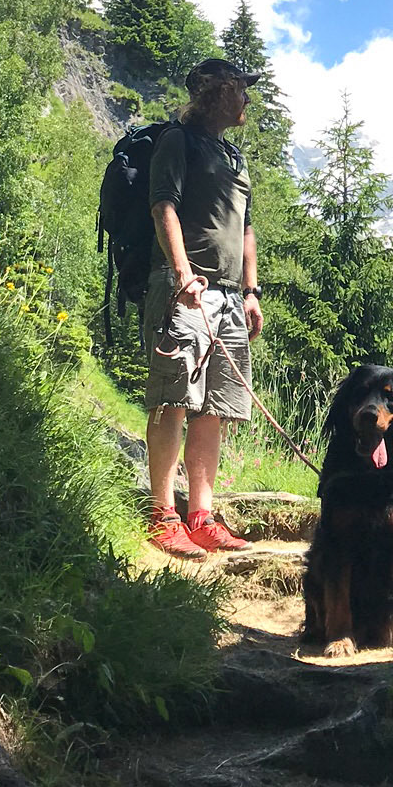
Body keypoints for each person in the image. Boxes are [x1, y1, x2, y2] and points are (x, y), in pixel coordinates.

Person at [143, 56, 265, 557]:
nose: (247, 99)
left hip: (229, 298)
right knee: (174, 398)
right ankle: (161, 514)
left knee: (214, 408)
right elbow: (163, 205)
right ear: (216, 92)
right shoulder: (179, 141)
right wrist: (181, 273)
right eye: (241, 89)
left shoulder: (235, 158)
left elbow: (247, 229)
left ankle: (202, 516)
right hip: (183, 290)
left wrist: (251, 291)